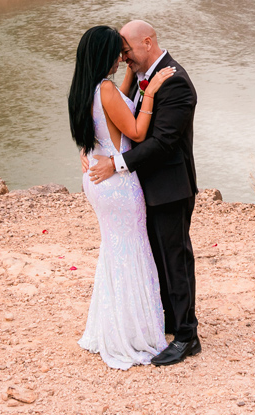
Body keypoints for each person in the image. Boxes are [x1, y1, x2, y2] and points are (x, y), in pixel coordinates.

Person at [87, 20, 200, 366]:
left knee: (175, 259)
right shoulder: (139, 78)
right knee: (156, 258)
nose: (124, 57)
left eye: (127, 50)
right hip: (142, 188)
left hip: (169, 187)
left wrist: (116, 164)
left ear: (147, 42)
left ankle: (187, 336)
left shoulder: (175, 81)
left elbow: (163, 143)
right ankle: (168, 320)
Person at [67, 25, 175, 370]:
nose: (121, 56)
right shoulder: (107, 90)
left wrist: (133, 70)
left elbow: (110, 111)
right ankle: (131, 334)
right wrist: (153, 90)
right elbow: (137, 132)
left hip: (95, 178)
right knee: (131, 253)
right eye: (117, 51)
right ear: (104, 55)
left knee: (114, 253)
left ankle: (110, 326)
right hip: (118, 182)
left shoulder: (83, 89)